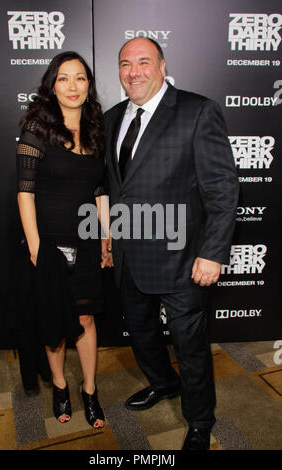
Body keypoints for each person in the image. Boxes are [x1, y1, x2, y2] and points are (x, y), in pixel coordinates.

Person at [103, 37, 239, 450]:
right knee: (142, 336)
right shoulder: (111, 119)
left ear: (163, 65)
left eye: (144, 62)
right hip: (130, 255)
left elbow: (222, 189)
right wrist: (109, 235)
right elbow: (116, 187)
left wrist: (212, 253)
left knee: (191, 346)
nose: (134, 71)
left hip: (183, 260)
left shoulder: (197, 111)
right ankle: (163, 383)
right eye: (125, 64)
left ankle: (200, 420)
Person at [16, 51, 112, 427]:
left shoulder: (95, 130)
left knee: (86, 318)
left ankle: (90, 390)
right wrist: (37, 249)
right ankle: (59, 386)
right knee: (53, 322)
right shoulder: (36, 129)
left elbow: (100, 190)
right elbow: (24, 192)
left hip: (87, 240)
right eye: (63, 78)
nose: (73, 86)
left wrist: (107, 237)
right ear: (52, 85)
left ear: (89, 86)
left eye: (80, 78)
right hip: (48, 243)